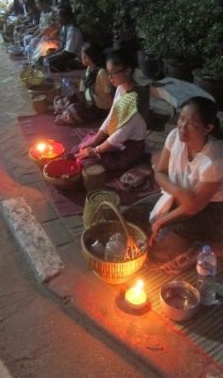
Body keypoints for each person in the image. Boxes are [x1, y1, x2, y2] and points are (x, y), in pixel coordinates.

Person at [148, 96, 223, 270]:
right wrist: (178, 192)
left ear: (208, 128)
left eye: (191, 123)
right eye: (181, 119)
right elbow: (159, 173)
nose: (182, 126)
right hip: (179, 198)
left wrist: (161, 222)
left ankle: (205, 249)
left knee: (159, 250)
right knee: (133, 219)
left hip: (211, 209)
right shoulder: (175, 137)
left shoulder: (214, 160)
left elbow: (193, 206)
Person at [74, 49, 147, 172]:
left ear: (128, 71)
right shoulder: (120, 87)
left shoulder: (136, 100)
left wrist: (95, 150)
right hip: (117, 138)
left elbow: (120, 136)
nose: (110, 78)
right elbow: (111, 116)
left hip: (130, 148)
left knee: (86, 163)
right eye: (108, 73)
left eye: (114, 73)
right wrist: (95, 141)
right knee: (81, 148)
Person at [54, 43, 113, 125]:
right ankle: (65, 113)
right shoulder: (89, 68)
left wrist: (111, 114)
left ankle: (65, 116)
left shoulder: (101, 73)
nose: (80, 57)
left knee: (74, 110)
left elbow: (109, 94)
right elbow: (84, 87)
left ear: (87, 58)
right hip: (88, 102)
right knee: (63, 99)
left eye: (82, 55)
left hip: (99, 108)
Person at [38, 6, 84, 71]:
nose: (57, 19)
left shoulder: (72, 30)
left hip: (73, 57)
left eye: (59, 16)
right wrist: (51, 55)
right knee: (42, 58)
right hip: (65, 53)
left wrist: (51, 57)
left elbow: (69, 53)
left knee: (48, 62)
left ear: (66, 17)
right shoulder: (64, 27)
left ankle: (69, 66)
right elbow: (62, 47)